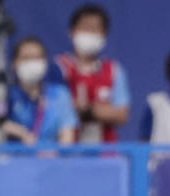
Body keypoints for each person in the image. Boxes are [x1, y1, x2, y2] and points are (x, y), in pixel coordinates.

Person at [0, 36, 77, 145]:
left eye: (37, 57)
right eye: (26, 58)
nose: (32, 63)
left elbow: (67, 137)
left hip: (51, 159)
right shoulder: (11, 96)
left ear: (45, 62)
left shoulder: (60, 94)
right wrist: (21, 132)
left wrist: (57, 154)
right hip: (18, 159)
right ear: (14, 63)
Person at [51, 3, 130, 142]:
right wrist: (101, 110)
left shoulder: (114, 70)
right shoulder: (59, 67)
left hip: (105, 152)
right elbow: (54, 108)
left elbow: (121, 114)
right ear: (71, 32)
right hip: (66, 150)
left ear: (104, 35)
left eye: (96, 29)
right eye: (85, 27)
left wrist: (87, 110)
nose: (90, 33)